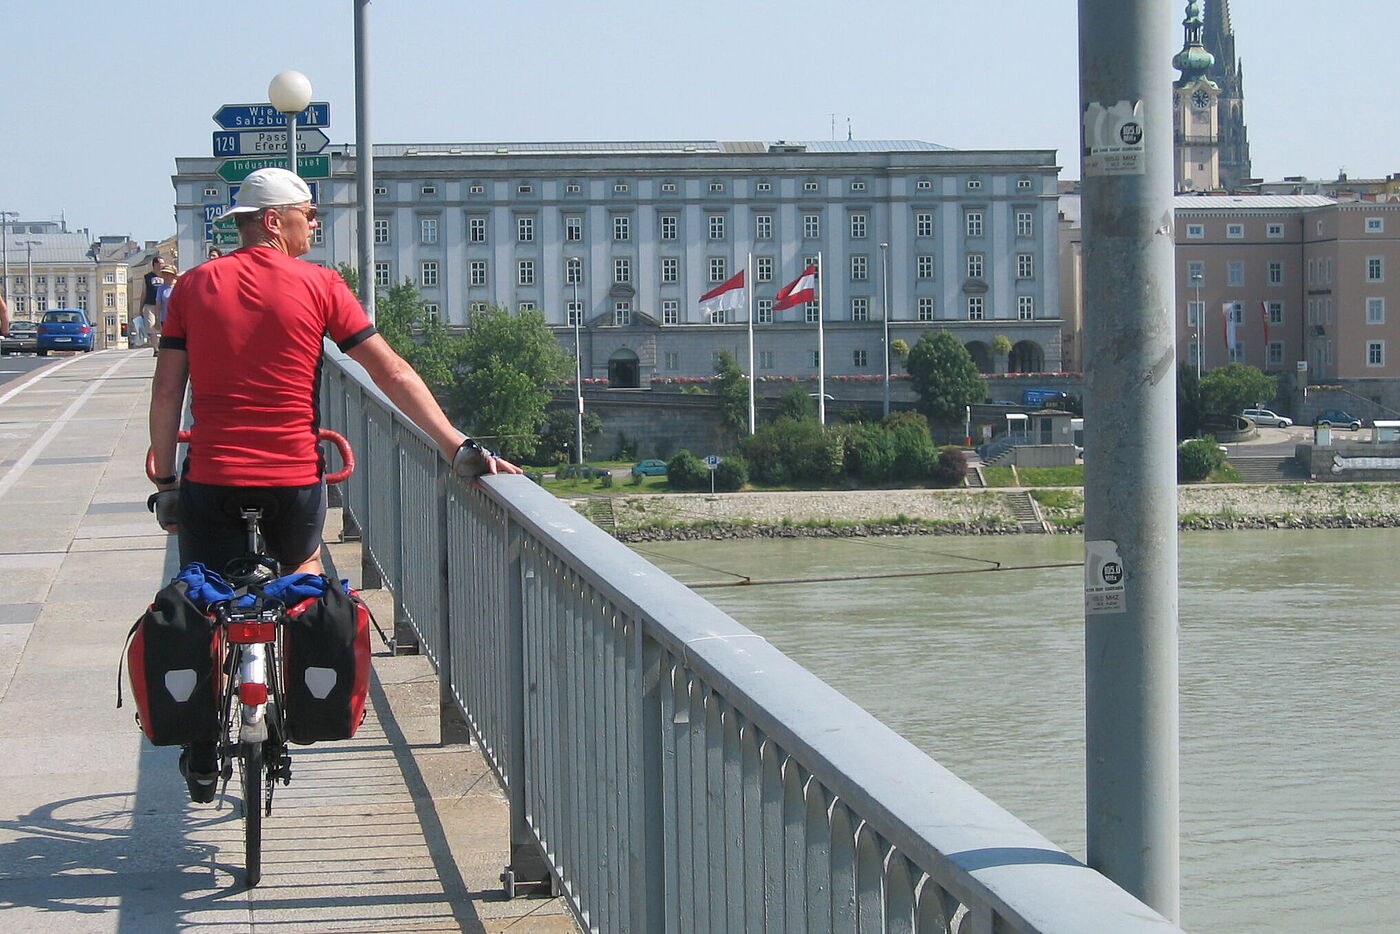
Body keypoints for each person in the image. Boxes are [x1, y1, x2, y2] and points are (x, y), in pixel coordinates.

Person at [147, 167, 521, 801]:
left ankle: (202, 745)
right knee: (303, 581)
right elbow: (391, 373)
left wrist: (164, 474)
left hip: (211, 476)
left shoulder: (192, 286)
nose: (315, 224)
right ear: (274, 220)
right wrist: (455, 442)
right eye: (307, 213)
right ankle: (292, 702)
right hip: (294, 479)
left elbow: (167, 389)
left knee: (204, 596)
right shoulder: (321, 286)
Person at [138, 258, 165, 348]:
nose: (163, 265)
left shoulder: (165, 276)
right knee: (151, 327)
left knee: (163, 327)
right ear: (155, 264)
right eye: (161, 263)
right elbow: (143, 293)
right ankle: (156, 349)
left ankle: (162, 346)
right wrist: (141, 308)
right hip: (150, 305)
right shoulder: (148, 277)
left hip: (163, 305)